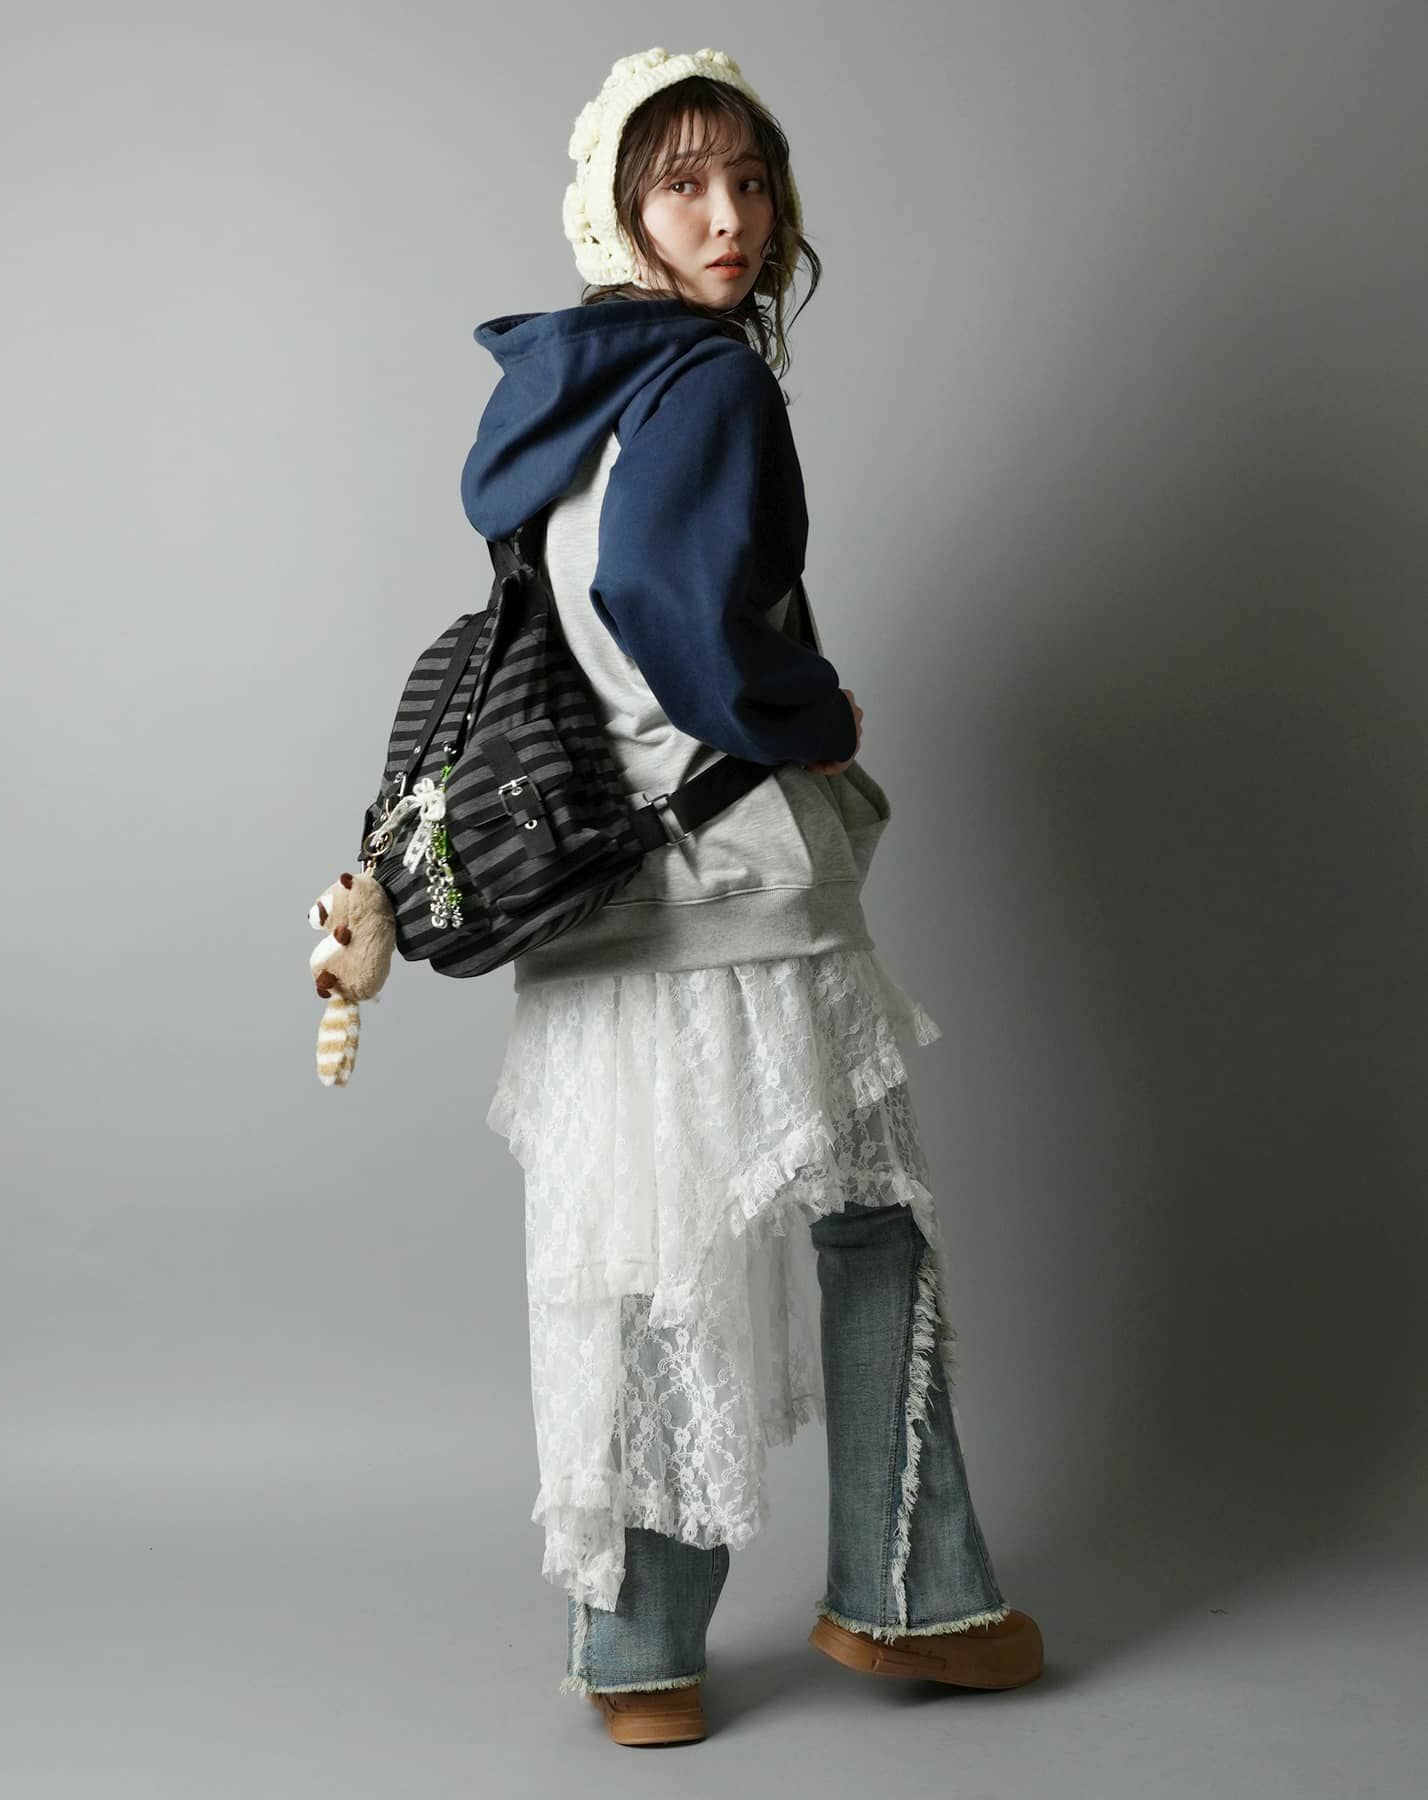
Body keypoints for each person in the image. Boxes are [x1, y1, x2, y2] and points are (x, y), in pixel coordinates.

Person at [458, 46, 1044, 1746]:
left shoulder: (555, 393)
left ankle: (638, 1660)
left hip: (588, 886)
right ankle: (908, 1597)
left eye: (751, 180)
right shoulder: (708, 381)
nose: (729, 217)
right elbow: (662, 596)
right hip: (734, 879)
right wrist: (806, 711)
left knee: (645, 1248)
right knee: (869, 1223)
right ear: (620, 212)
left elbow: (563, 619)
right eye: (684, 186)